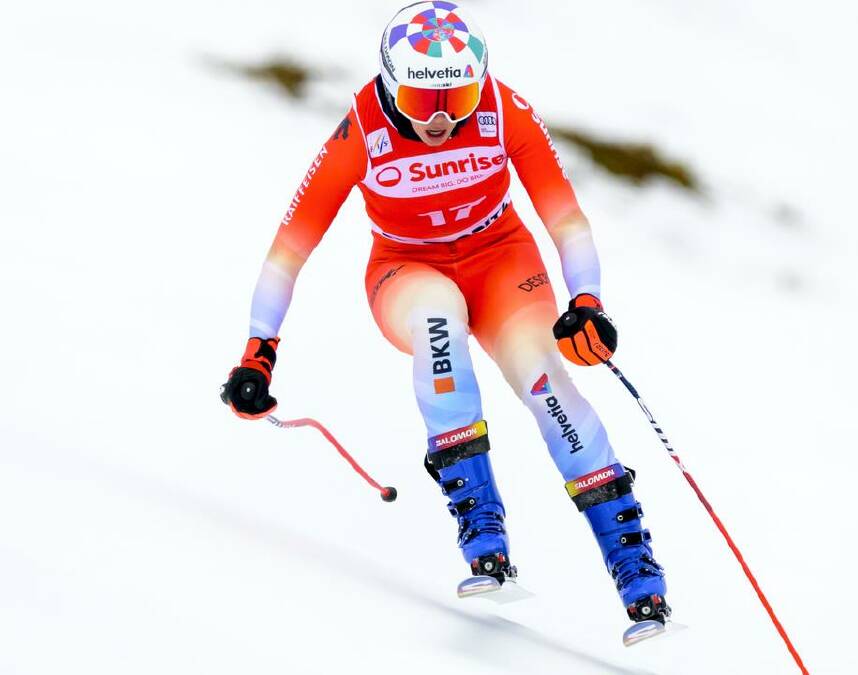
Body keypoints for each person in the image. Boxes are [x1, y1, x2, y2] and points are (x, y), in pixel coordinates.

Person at [219, 1, 670, 627]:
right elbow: (290, 248)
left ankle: (637, 573)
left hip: (501, 260)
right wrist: (258, 351)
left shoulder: (502, 109)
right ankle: (483, 531)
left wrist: (587, 300)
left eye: (456, 102)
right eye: (422, 98)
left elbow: (563, 214)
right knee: (438, 323)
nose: (438, 118)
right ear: (387, 80)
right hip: (406, 269)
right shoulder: (361, 130)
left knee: (545, 382)